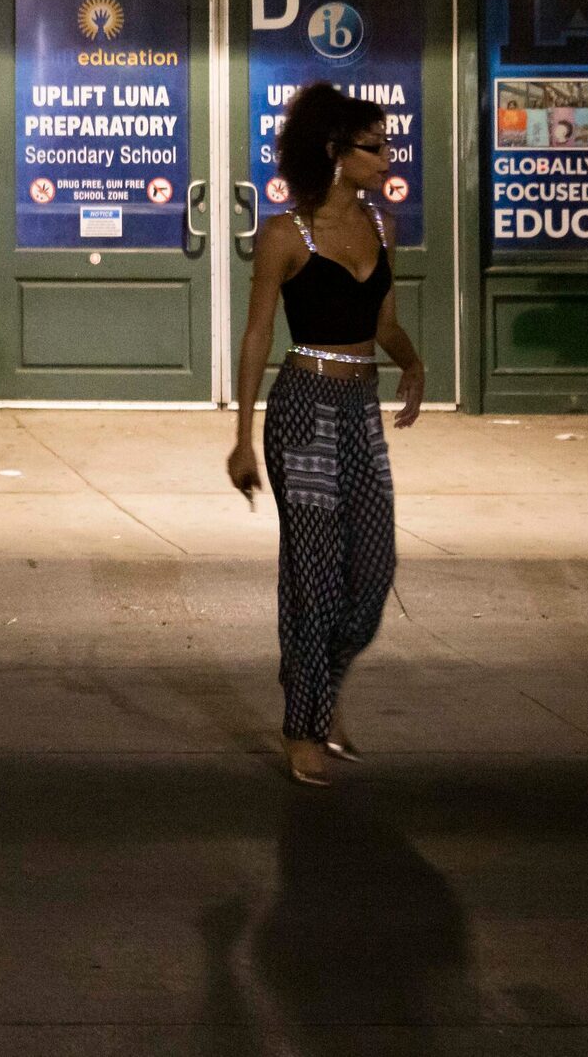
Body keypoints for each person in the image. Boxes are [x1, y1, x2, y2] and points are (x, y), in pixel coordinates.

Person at [228, 85, 427, 787]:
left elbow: (384, 324)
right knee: (312, 573)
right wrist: (243, 437)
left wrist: (411, 363)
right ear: (335, 154)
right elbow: (257, 335)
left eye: (385, 142)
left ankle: (317, 679)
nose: (387, 155)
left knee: (373, 570)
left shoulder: (380, 224)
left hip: (358, 410)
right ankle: (304, 726)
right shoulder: (288, 235)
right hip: (304, 407)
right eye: (373, 145)